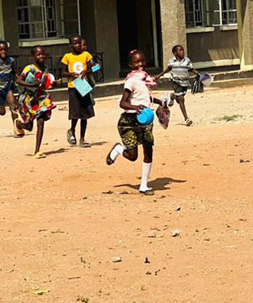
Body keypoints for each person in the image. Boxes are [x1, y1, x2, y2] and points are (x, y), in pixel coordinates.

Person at [106, 49, 163, 194]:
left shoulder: (145, 80)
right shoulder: (131, 81)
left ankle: (144, 185)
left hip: (145, 120)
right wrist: (134, 107)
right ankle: (119, 149)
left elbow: (146, 99)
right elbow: (123, 103)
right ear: (130, 64)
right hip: (129, 121)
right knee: (132, 156)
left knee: (148, 149)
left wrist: (160, 102)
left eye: (143, 61)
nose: (141, 64)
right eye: (137, 62)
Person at [15, 46, 56, 158]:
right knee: (29, 126)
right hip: (28, 98)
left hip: (41, 97)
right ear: (33, 57)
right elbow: (19, 80)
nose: (41, 56)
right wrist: (31, 85)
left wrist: (51, 84)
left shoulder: (45, 68)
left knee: (41, 121)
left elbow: (44, 82)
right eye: (38, 54)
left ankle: (37, 151)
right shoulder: (29, 68)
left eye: (43, 54)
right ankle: (19, 124)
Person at [61, 34, 95, 147]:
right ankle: (72, 130)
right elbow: (62, 72)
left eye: (79, 43)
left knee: (85, 113)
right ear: (70, 45)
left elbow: (96, 67)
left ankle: (82, 138)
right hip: (73, 87)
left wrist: (87, 72)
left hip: (83, 86)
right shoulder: (67, 57)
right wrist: (71, 74)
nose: (77, 45)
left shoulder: (86, 55)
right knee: (75, 112)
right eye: (74, 43)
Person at [156, 44, 199, 126]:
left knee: (179, 99)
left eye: (183, 50)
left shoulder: (187, 61)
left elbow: (191, 69)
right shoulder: (172, 61)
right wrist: (159, 75)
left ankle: (172, 96)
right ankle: (186, 118)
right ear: (175, 53)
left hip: (185, 83)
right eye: (180, 50)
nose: (182, 52)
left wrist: (197, 73)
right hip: (175, 82)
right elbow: (168, 69)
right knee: (181, 99)